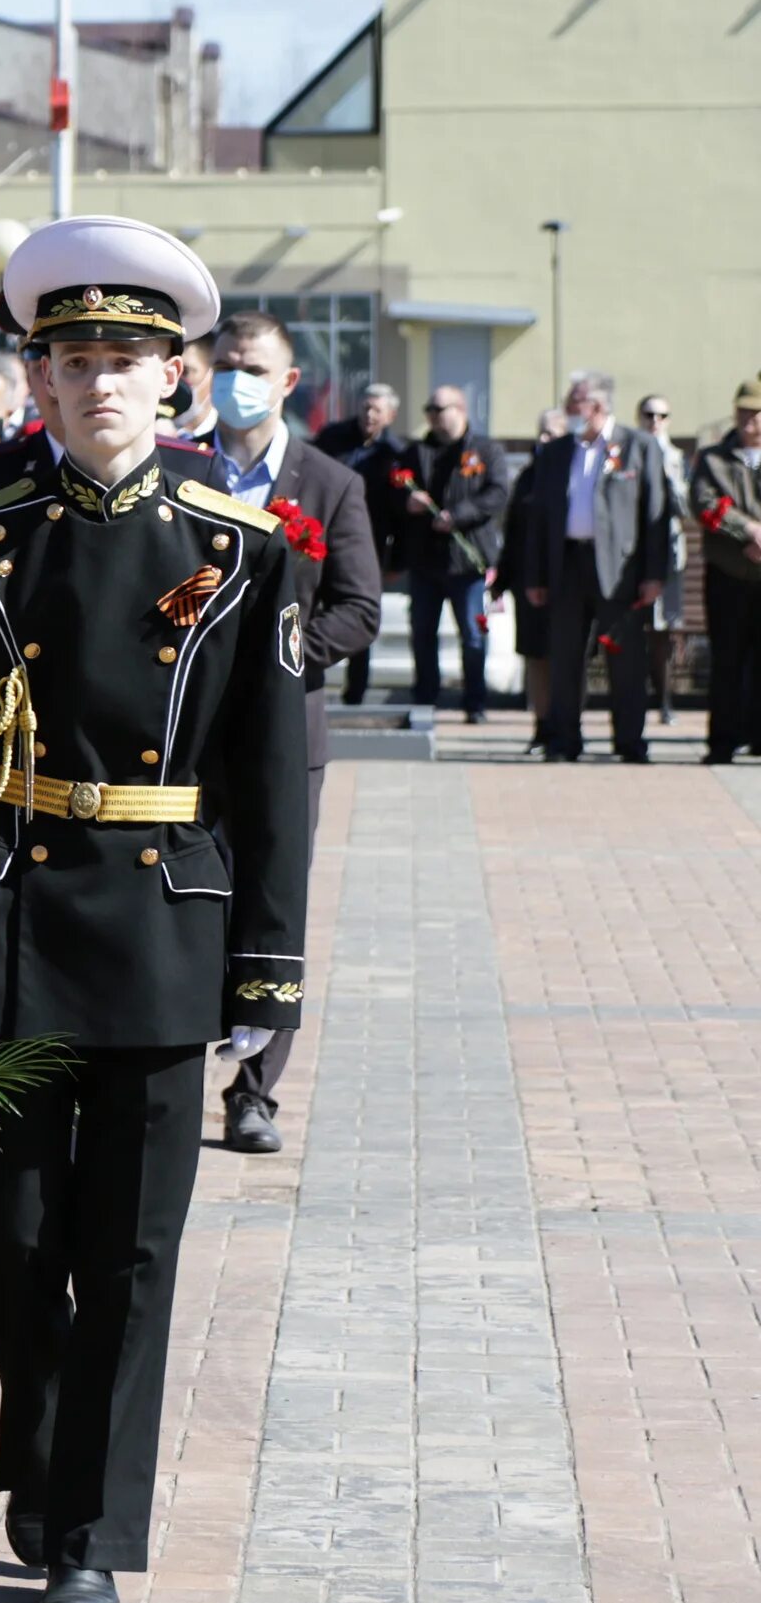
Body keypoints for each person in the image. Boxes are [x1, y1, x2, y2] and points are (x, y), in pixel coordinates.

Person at [0, 215, 309, 1603]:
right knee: (11, 1228)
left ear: (179, 383)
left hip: (165, 916)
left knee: (134, 1248)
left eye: (129, 360)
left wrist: (269, 964)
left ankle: (89, 1526)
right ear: (37, 382)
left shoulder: (238, 549)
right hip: (10, 915)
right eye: (75, 359)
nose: (100, 383)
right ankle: (46, 1454)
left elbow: (271, 777)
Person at [197, 309, 380, 1155]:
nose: (238, 376)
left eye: (254, 365)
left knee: (274, 905)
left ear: (288, 381)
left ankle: (254, 1093)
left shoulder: (330, 483)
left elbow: (358, 608)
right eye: (226, 361)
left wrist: (279, 656)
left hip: (284, 737)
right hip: (183, 735)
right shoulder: (176, 467)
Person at [519, 370, 674, 763]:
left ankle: (629, 743)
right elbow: (538, 518)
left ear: (598, 407)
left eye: (575, 402)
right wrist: (535, 575)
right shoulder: (556, 453)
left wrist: (654, 575)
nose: (568, 409)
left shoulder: (637, 447)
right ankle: (564, 741)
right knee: (565, 658)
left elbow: (655, 511)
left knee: (625, 660)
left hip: (620, 571)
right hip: (567, 565)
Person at [395, 387, 508, 719]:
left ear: (460, 409)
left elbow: (498, 492)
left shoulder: (486, 449)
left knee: (473, 635)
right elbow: (393, 492)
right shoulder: (416, 452)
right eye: (428, 409)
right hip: (426, 561)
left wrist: (458, 515)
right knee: (422, 632)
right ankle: (426, 700)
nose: (431, 415)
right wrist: (407, 503)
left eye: (438, 408)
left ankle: (474, 702)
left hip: (467, 562)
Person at [310, 381, 408, 706]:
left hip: (368, 544)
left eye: (376, 409)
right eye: (365, 406)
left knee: (358, 612)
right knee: (312, 610)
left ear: (390, 415)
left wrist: (396, 560)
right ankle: (311, 682)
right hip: (319, 537)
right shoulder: (332, 438)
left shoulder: (395, 453)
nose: (369, 414)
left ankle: (356, 692)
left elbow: (399, 513)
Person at [690, 378, 761, 764]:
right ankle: (722, 742)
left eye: (755, 412)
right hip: (729, 573)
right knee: (727, 660)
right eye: (743, 411)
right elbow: (703, 502)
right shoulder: (714, 458)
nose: (748, 419)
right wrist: (749, 531)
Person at [499, 406, 573, 747]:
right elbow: (514, 529)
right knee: (535, 654)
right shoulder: (529, 474)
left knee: (565, 656)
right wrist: (503, 577)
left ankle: (565, 725)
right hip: (528, 581)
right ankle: (541, 726)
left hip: (565, 580)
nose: (544, 439)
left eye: (553, 433)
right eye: (541, 432)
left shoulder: (573, 474)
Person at [639, 393, 688, 725]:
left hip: (669, 555)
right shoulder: (628, 453)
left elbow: (685, 509)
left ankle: (665, 701)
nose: (654, 421)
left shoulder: (677, 458)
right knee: (634, 629)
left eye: (661, 415)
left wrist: (670, 474)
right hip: (635, 555)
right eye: (648, 415)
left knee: (665, 629)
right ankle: (635, 700)